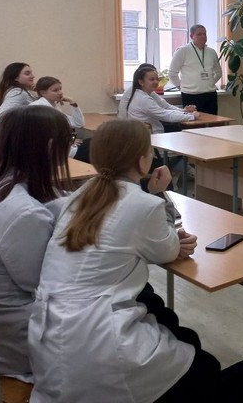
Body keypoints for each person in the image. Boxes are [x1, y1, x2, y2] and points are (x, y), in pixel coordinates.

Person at [28, 120, 221, 403]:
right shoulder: (145, 204)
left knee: (174, 331)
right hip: (99, 340)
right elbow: (168, 250)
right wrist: (160, 194)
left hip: (48, 334)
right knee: (206, 368)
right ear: (143, 160)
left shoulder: (78, 195)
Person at [0, 105, 73, 380]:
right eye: (69, 140)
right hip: (20, 338)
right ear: (50, 147)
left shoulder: (1, 180)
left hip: (6, 322)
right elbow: (42, 282)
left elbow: (57, 198)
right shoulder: (23, 214)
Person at [31, 76, 90, 161]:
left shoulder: (54, 107)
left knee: (98, 141)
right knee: (99, 144)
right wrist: (70, 141)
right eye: (55, 90)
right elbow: (42, 136)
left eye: (60, 89)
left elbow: (78, 124)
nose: (60, 93)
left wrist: (73, 103)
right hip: (59, 153)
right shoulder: (39, 108)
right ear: (43, 93)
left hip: (67, 148)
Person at [126, 65, 199, 133]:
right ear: (141, 82)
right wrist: (192, 116)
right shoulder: (144, 99)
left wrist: (184, 112)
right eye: (152, 79)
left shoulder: (148, 93)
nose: (156, 82)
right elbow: (165, 115)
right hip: (152, 136)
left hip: (152, 132)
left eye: (157, 79)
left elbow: (166, 107)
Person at [168, 24, 222, 115]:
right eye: (199, 34)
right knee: (194, 122)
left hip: (210, 94)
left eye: (204, 34)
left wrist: (210, 83)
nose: (203, 36)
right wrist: (181, 86)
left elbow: (218, 72)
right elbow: (172, 73)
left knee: (213, 122)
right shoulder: (182, 51)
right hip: (190, 95)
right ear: (191, 36)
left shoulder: (211, 52)